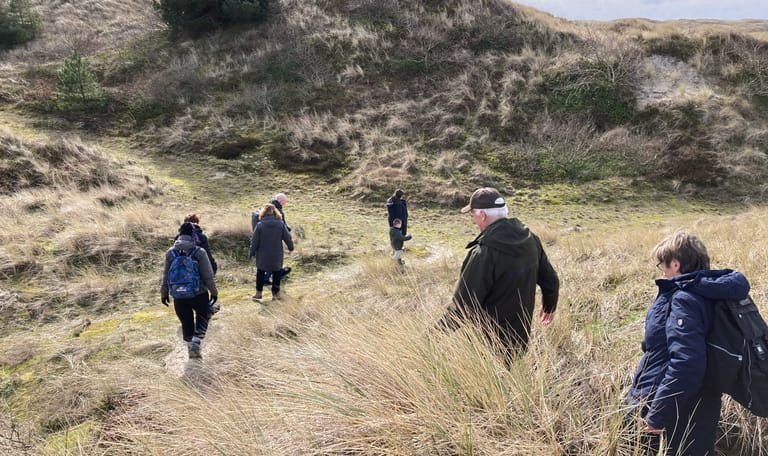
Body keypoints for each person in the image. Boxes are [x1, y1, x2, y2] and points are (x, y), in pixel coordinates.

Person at [625, 232, 750, 456]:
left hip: (673, 413)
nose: (662, 270)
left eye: (662, 264)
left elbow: (687, 362)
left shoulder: (684, 299)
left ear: (675, 263)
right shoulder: (713, 295)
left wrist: (658, 415)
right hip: (703, 406)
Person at [443, 187, 559, 361]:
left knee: (485, 385)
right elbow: (551, 281)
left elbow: (462, 307)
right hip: (520, 339)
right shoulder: (531, 240)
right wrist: (550, 305)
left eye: (472, 214)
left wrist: (431, 338)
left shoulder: (483, 253)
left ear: (482, 215)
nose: (473, 219)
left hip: (486, 344)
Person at [161, 222, 218, 359]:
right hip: (199, 293)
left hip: (178, 295)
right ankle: (196, 343)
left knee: (186, 321)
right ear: (193, 235)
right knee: (202, 317)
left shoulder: (170, 253)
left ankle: (190, 346)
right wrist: (214, 292)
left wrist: (164, 293)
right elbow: (208, 275)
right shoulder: (199, 252)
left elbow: (165, 275)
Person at [249, 203, 294, 301]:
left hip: (262, 254)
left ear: (263, 213)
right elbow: (288, 238)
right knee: (276, 273)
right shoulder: (280, 224)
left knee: (260, 272)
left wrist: (252, 253)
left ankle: (258, 293)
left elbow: (254, 241)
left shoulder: (260, 225)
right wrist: (291, 248)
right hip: (276, 253)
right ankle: (275, 294)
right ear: (275, 212)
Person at [251, 193, 292, 284]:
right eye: (284, 202)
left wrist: (252, 251)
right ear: (281, 201)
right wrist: (288, 231)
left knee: (265, 259)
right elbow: (283, 225)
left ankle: (268, 277)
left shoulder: (264, 209)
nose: (284, 205)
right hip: (273, 238)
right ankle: (267, 278)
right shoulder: (277, 211)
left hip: (261, 238)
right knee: (273, 258)